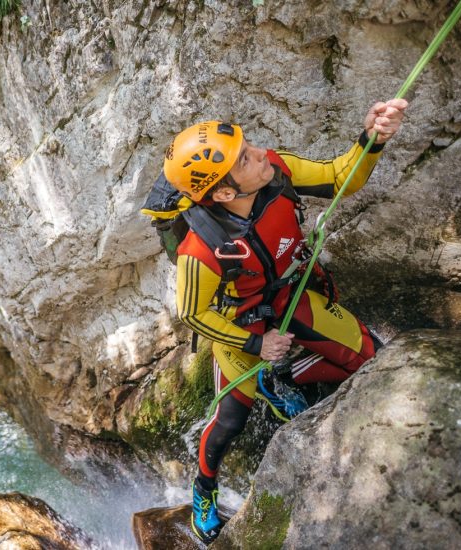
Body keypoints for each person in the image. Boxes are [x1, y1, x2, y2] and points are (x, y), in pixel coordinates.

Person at [161, 99, 408, 543]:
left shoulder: (278, 170)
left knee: (372, 357)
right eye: (245, 158)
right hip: (244, 326)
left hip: (292, 294)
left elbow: (339, 179)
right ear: (222, 193)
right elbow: (193, 316)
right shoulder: (200, 252)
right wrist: (257, 346)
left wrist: (372, 138)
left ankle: (283, 377)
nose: (260, 153)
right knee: (232, 421)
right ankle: (203, 489)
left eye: (248, 144)